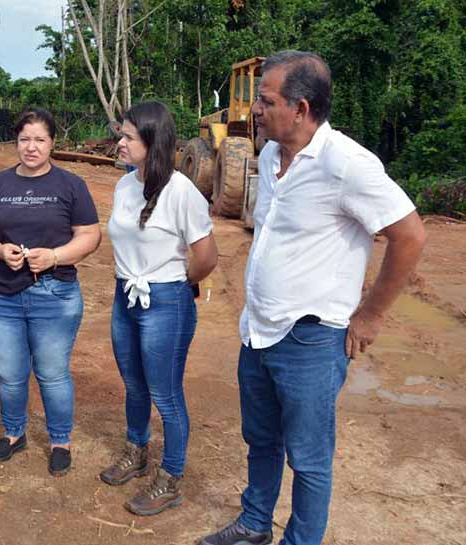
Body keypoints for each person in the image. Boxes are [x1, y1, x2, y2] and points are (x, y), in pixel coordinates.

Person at [199, 51, 426, 545]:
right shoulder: (269, 154)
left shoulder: (347, 165)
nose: (256, 109)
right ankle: (256, 524)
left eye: (266, 100)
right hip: (258, 331)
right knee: (260, 441)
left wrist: (371, 314)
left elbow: (410, 235)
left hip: (311, 341)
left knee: (308, 458)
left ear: (301, 109)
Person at [0, 108, 101, 476]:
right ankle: (14, 434)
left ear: (52, 143)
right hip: (6, 295)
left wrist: (55, 256)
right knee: (10, 374)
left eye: (39, 139)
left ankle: (60, 440)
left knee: (52, 373)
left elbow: (90, 235)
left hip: (55, 295)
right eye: (25, 139)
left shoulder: (71, 185)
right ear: (16, 142)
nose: (31, 147)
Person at [99, 101, 218, 516]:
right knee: (133, 385)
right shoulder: (124, 185)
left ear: (153, 142)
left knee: (165, 395)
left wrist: (181, 284)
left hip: (165, 301)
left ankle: (170, 476)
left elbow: (206, 255)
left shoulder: (181, 191)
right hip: (125, 296)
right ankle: (137, 450)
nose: (121, 142)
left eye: (129, 136)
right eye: (122, 134)